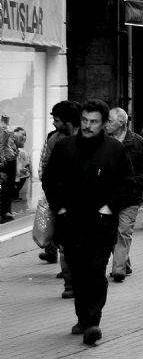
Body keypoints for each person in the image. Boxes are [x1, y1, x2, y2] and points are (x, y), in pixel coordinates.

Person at [42, 99, 134, 345]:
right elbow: (49, 180)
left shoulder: (114, 150)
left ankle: (93, 321)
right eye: (84, 120)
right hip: (70, 223)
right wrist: (59, 207)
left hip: (101, 225)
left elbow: (128, 184)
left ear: (104, 123)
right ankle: (83, 317)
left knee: (95, 272)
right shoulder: (64, 147)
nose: (88, 125)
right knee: (78, 273)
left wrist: (109, 206)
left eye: (94, 121)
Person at [104, 108, 143, 282]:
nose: (106, 124)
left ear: (121, 123)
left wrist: (134, 184)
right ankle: (124, 263)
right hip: (108, 197)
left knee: (123, 231)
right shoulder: (102, 142)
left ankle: (118, 270)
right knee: (111, 233)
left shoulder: (137, 142)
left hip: (130, 198)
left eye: (110, 121)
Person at [38, 101, 81, 293]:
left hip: (89, 201)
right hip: (64, 202)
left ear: (67, 121)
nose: (54, 123)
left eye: (56, 120)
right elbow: (47, 170)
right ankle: (70, 282)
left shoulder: (88, 139)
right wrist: (54, 201)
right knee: (66, 244)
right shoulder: (54, 139)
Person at [0, 117, 18, 221]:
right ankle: (5, 211)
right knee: (7, 186)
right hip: (7, 161)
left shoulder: (5, 128)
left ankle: (6, 211)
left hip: (9, 159)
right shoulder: (3, 129)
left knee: (8, 186)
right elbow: (1, 146)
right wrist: (2, 163)